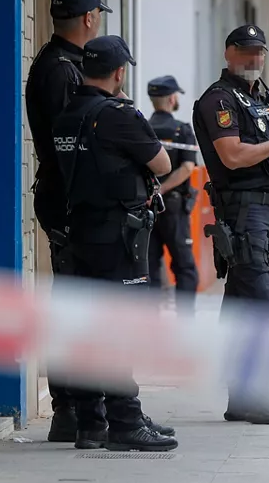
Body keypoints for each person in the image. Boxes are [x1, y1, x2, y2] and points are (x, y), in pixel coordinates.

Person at [51, 35, 178, 451]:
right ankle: (125, 419)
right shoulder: (118, 115)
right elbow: (163, 163)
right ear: (119, 72)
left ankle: (92, 423)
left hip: (76, 233)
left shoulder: (68, 113)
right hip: (117, 236)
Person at [193, 24, 269, 426]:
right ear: (228, 53)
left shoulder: (258, 97)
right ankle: (255, 393)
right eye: (245, 51)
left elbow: (263, 153)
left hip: (262, 210)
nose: (253, 58)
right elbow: (232, 156)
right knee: (258, 300)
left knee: (242, 301)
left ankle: (243, 395)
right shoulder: (219, 100)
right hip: (242, 211)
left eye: (259, 52)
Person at [24, 0, 107, 444]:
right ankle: (72, 410)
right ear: (90, 20)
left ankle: (79, 407)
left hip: (71, 197)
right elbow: (71, 146)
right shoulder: (61, 71)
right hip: (70, 200)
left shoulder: (64, 64)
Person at [144, 75, 199, 315]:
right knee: (185, 268)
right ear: (171, 98)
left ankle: (154, 324)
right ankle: (184, 322)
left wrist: (151, 192)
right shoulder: (182, 130)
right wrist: (162, 189)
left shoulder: (143, 128)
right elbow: (187, 168)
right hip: (173, 209)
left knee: (151, 266)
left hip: (146, 209)